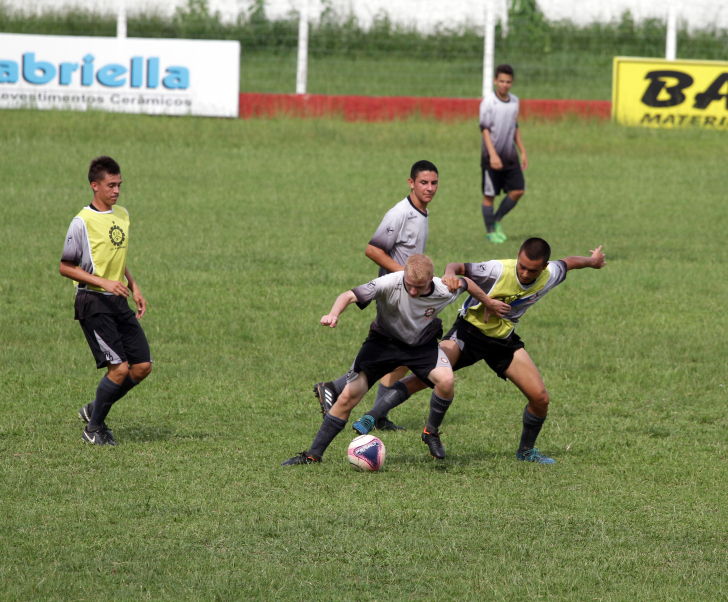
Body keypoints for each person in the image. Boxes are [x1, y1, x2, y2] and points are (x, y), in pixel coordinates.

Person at [352, 238, 606, 464]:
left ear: (544, 265)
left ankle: (526, 451)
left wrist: (593, 261)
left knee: (540, 398)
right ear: (517, 256)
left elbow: (570, 262)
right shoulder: (498, 269)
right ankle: (375, 417)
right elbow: (457, 266)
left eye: (533, 269)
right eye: (522, 266)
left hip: (502, 340)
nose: (526, 273)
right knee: (422, 378)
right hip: (468, 333)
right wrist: (450, 274)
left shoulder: (551, 273)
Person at [282, 254, 510, 466]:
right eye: (409, 284)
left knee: (446, 381)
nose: (412, 291)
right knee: (348, 396)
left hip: (421, 346)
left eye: (418, 287)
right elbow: (349, 295)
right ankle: (313, 455)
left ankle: (431, 432)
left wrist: (488, 303)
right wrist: (334, 313)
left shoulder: (445, 288)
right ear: (404, 275)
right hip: (382, 344)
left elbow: (467, 284)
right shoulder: (389, 282)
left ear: (432, 279)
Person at [313, 160, 439, 432]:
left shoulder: (421, 212)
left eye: (434, 183)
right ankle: (337, 389)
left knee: (404, 356)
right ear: (411, 183)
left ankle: (371, 410)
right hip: (396, 293)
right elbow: (373, 250)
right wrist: (407, 276)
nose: (429, 188)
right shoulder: (400, 214)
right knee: (400, 350)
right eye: (423, 183)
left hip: (409, 293)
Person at [59, 156, 153, 446]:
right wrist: (105, 282)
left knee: (141, 367)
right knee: (120, 368)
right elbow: (66, 266)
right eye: (111, 185)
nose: (116, 191)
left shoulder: (122, 214)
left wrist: (133, 285)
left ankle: (93, 409)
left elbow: (116, 257)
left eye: (119, 185)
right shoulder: (81, 222)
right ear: (94, 186)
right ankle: (94, 428)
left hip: (117, 299)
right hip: (93, 301)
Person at [480, 64, 528, 244]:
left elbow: (514, 127)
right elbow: (484, 130)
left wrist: (523, 151)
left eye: (508, 82)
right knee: (489, 195)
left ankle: (496, 219)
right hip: (490, 157)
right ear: (495, 81)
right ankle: (490, 232)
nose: (504, 85)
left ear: (512, 83)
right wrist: (492, 155)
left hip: (510, 156)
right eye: (501, 81)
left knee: (519, 189)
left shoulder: (515, 101)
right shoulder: (488, 103)